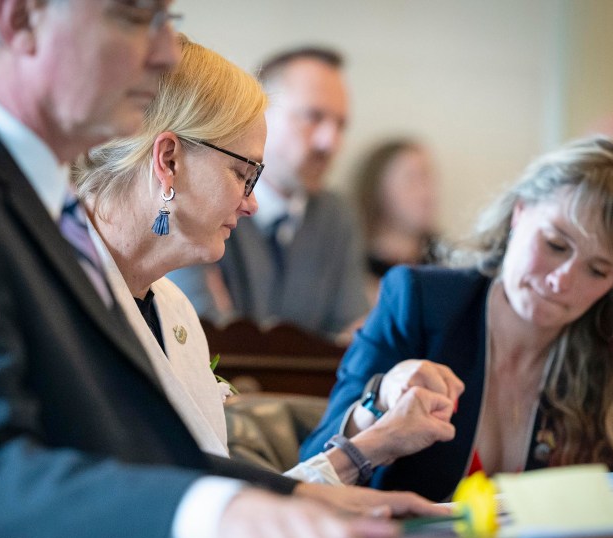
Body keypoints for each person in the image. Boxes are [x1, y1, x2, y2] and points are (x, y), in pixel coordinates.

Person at [0, 2, 440, 538]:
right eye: (136, 18)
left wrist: (309, 494)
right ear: (21, 19)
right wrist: (221, 517)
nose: (163, 51)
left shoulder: (28, 205)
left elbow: (122, 454)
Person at [72, 34, 458, 491]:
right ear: (169, 160)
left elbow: (218, 502)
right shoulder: (56, 289)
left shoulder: (173, 310)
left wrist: (370, 447)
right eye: (243, 173)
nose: (251, 203)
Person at [301, 136, 613, 502]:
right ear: (519, 212)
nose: (561, 280)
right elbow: (310, 468)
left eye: (598, 270)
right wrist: (379, 401)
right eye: (555, 245)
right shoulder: (420, 300)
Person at [167, 46, 369, 341]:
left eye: (340, 125)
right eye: (313, 117)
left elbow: (349, 344)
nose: (331, 142)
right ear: (261, 112)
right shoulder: (198, 197)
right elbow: (201, 334)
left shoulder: (337, 217)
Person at [354, 138, 442, 303]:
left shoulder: (449, 260)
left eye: (428, 178)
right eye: (411, 179)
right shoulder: (353, 264)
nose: (426, 193)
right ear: (378, 190)